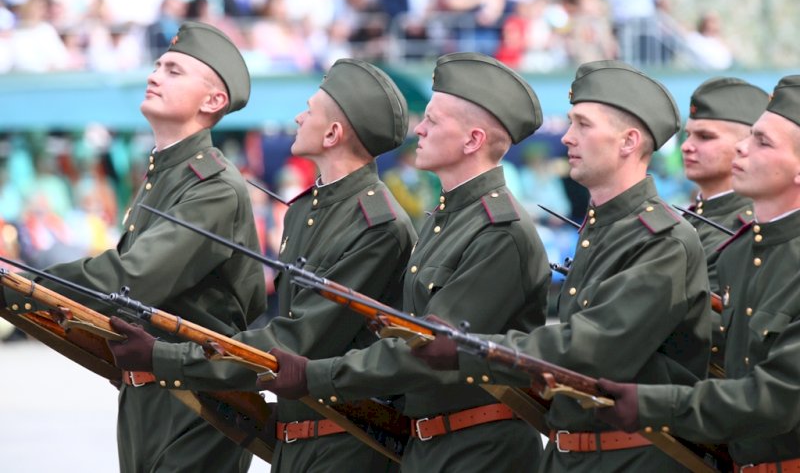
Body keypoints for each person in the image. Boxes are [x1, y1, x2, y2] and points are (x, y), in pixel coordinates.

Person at [108, 58, 417, 472]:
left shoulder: (378, 226)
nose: (297, 117)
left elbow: (296, 340)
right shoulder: (305, 210)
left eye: (309, 110)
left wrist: (166, 358)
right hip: (296, 441)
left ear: (332, 133)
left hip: (348, 445)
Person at [412, 60, 711, 471]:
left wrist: (473, 348)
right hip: (573, 455)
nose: (568, 137)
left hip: (633, 458)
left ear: (628, 142)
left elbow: (589, 349)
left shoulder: (662, 239)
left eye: (583, 125)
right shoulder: (606, 227)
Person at [261, 52, 552, 472]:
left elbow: (424, 349)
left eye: (433, 121)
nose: (420, 128)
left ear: (472, 141)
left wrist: (317, 375)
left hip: (481, 452)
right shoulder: (448, 219)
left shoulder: (499, 232)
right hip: (430, 445)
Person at [1, 21, 267, 473]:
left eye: (174, 71)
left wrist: (24, 285)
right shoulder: (166, 175)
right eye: (158, 65)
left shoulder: (214, 188)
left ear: (213, 101)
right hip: (149, 394)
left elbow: (133, 277)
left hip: (199, 402)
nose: (154, 75)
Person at [596, 75, 800, 471]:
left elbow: (776, 398)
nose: (743, 147)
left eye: (762, 142)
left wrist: (653, 402)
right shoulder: (741, 253)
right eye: (750, 135)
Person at [680, 77, 768, 371]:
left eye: (705, 137)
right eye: (688, 134)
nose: (687, 147)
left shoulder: (748, 227)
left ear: (747, 145)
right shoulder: (690, 219)